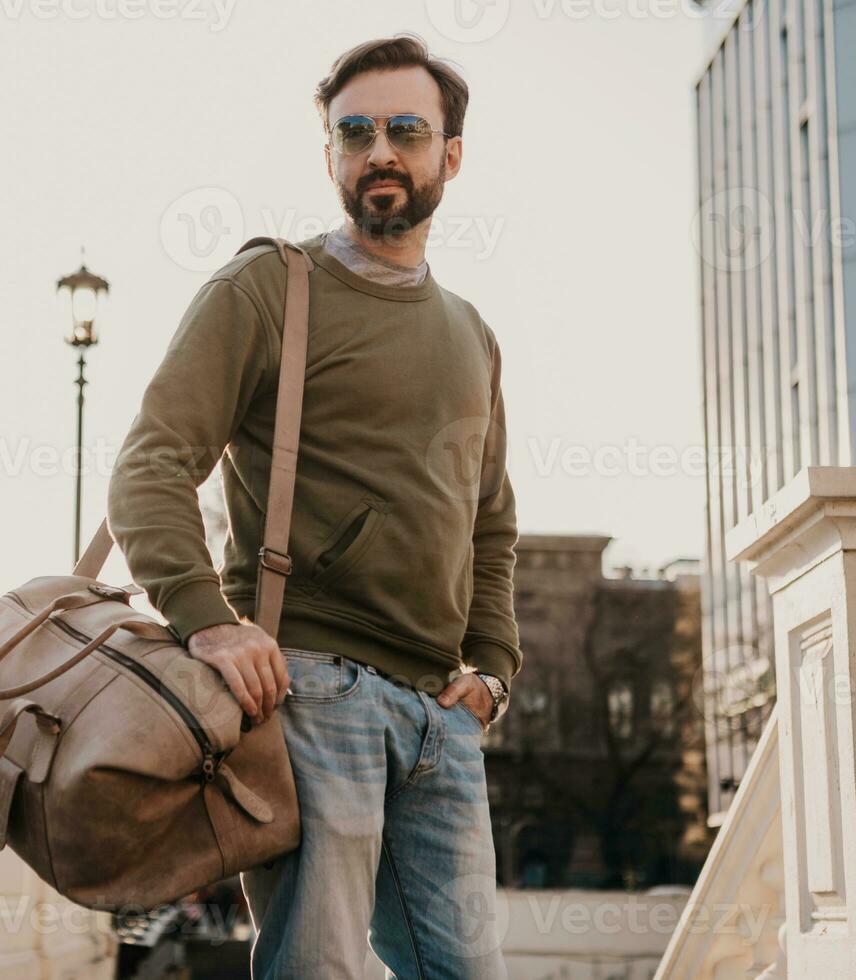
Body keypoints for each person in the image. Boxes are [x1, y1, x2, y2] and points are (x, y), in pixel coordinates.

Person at [106, 33, 520, 980]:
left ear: (449, 155)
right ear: (331, 153)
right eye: (355, 132)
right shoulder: (266, 288)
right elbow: (151, 464)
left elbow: (490, 519)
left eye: (407, 130)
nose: (380, 151)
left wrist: (492, 669)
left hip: (443, 720)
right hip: (309, 695)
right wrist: (207, 620)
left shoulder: (475, 336)